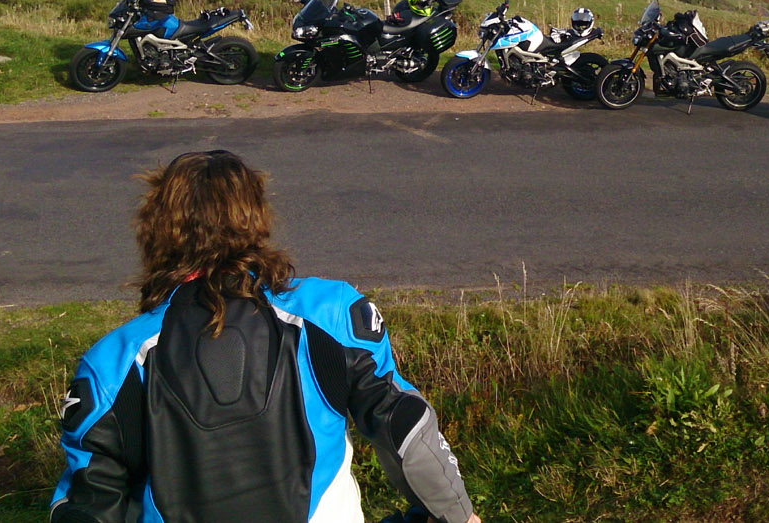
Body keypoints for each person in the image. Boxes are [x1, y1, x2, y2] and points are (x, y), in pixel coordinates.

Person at [50, 149, 481, 523]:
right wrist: (460, 515)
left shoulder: (112, 362)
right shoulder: (331, 314)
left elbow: (87, 504)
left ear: (154, 228)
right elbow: (405, 426)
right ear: (255, 219)